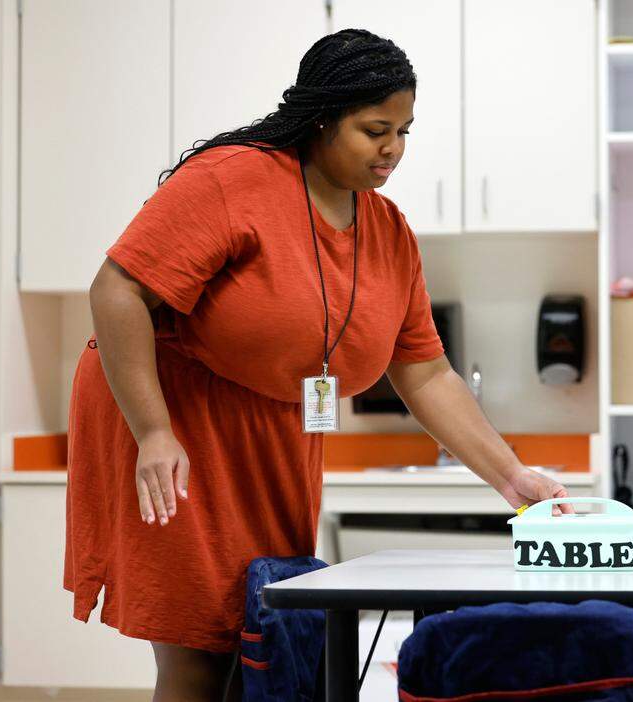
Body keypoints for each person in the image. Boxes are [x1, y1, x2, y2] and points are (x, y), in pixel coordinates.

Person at [63, 28, 571, 701]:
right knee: (198, 649)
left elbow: (424, 372)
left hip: (274, 434)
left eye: (404, 131)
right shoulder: (232, 179)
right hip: (175, 415)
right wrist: (154, 430)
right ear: (324, 118)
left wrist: (510, 476)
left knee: (264, 633)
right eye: (374, 129)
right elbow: (117, 289)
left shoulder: (387, 230)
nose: (393, 148)